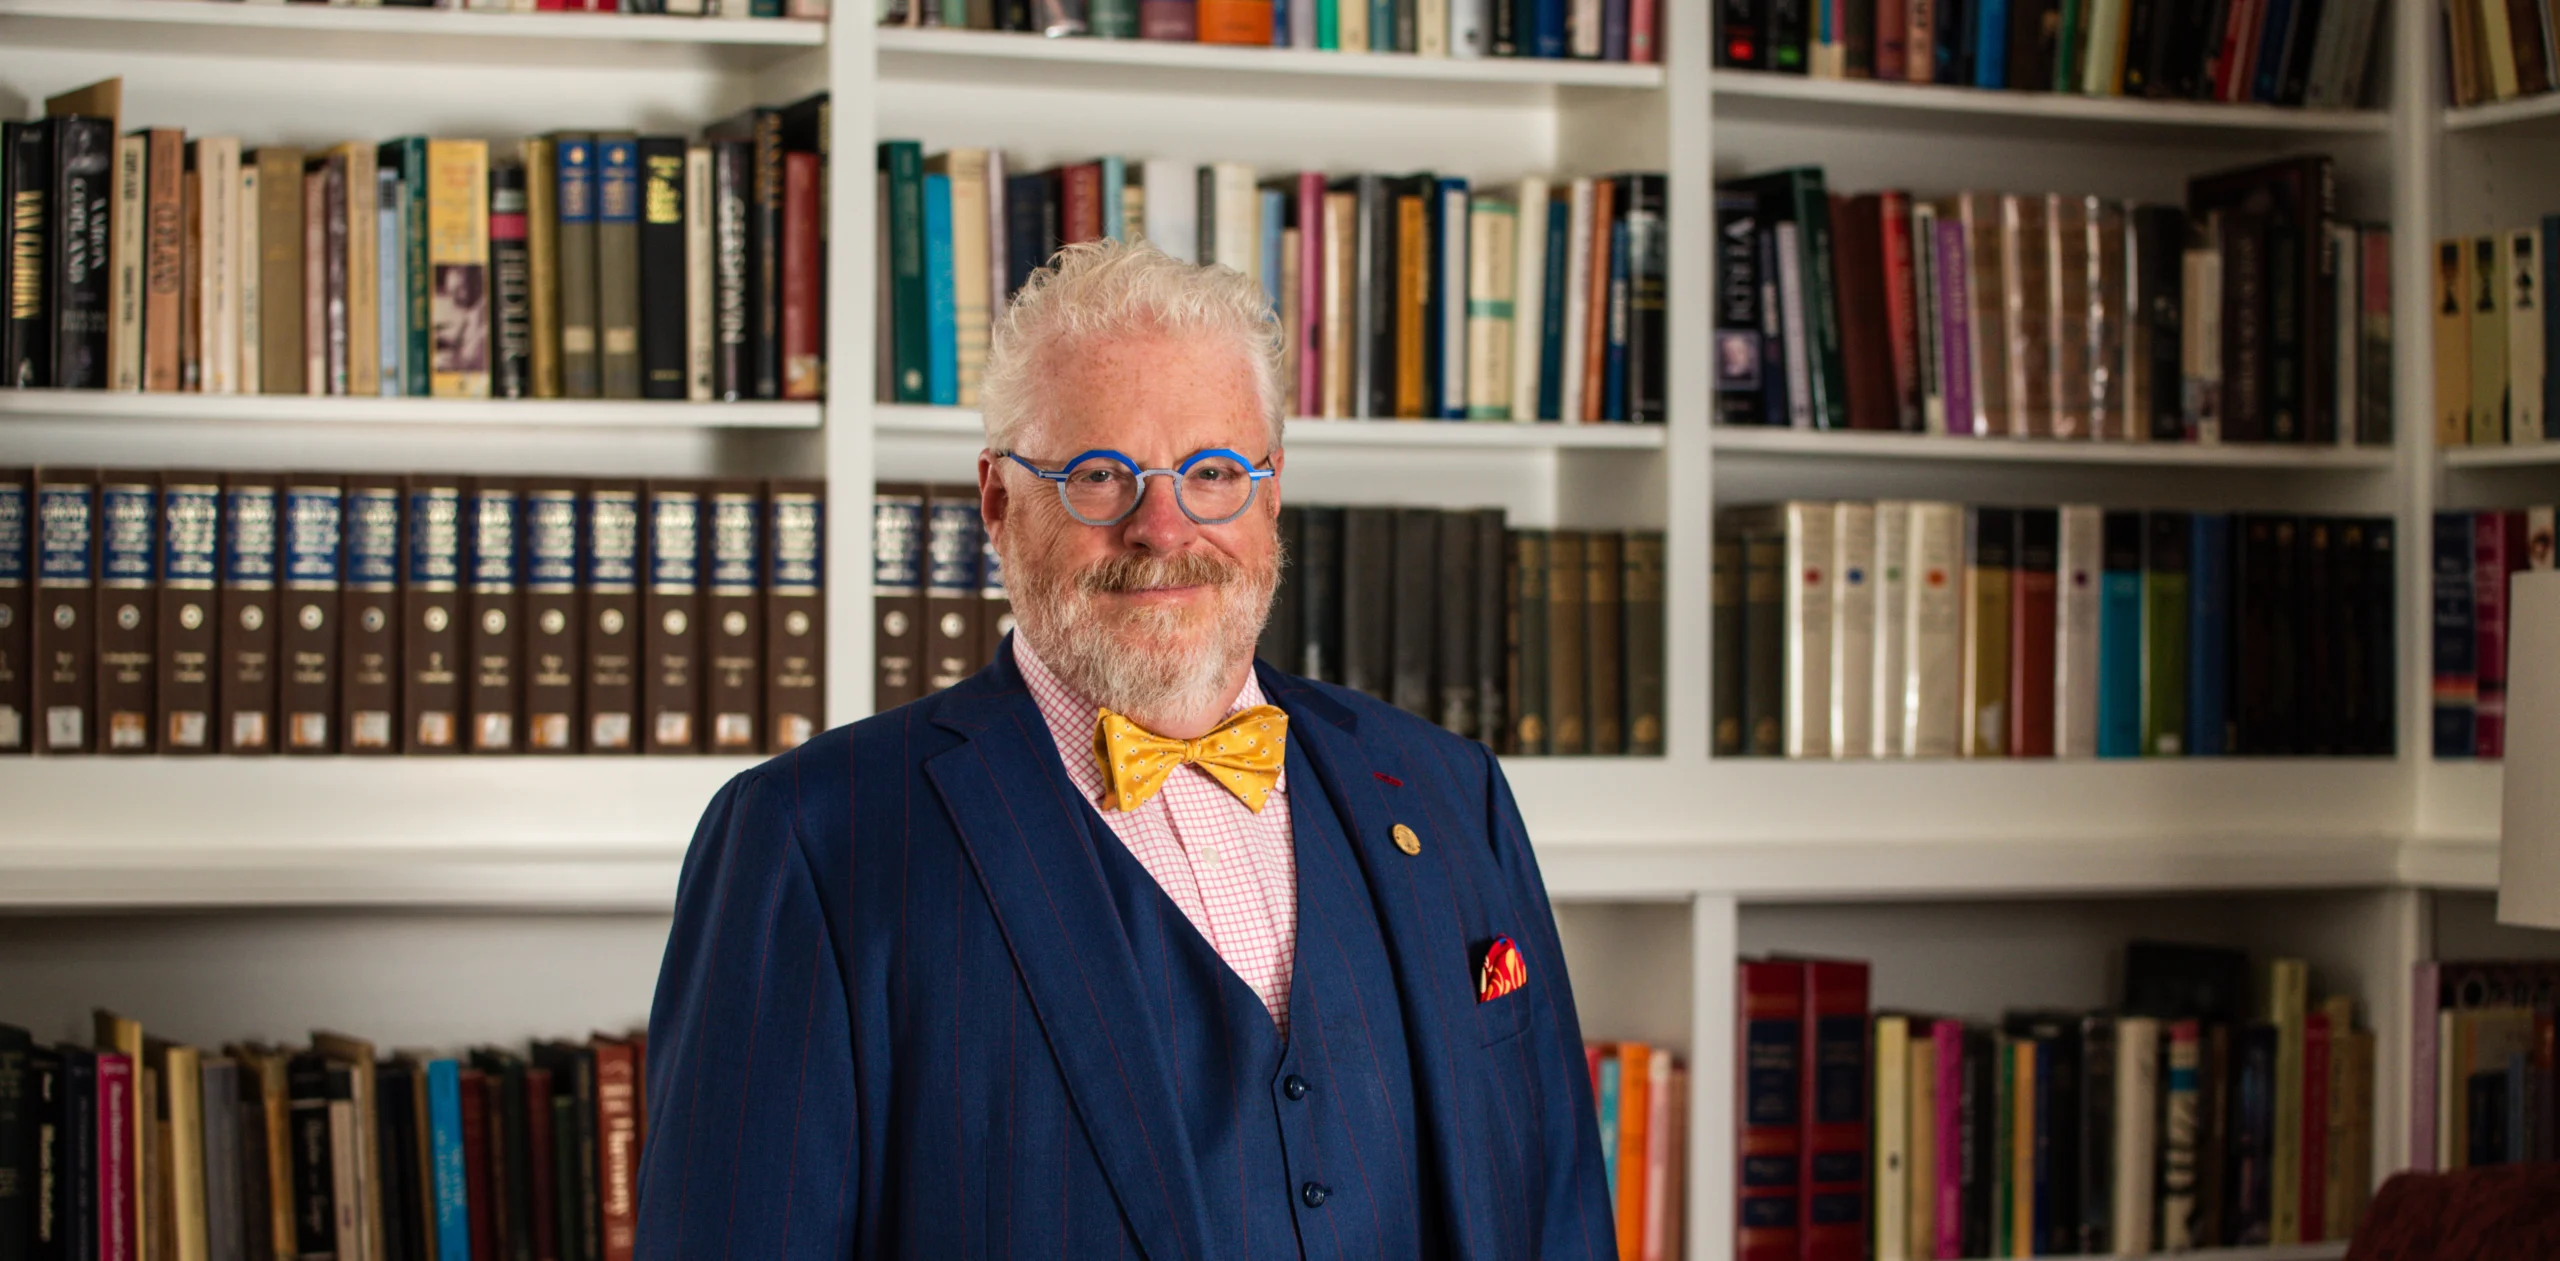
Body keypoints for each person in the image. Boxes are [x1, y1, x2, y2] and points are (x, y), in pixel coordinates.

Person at [636, 238, 1614, 1260]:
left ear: (1272, 494)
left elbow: (1557, 1218)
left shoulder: (1451, 794)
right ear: (998, 504)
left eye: (1214, 471)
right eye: (1100, 476)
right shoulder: (810, 840)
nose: (1163, 526)